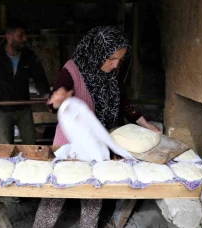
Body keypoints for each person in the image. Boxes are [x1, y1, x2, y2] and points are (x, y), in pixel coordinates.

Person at [32, 26, 161, 228]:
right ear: (97, 51)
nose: (116, 64)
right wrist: (56, 101)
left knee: (93, 192)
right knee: (55, 191)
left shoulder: (113, 73)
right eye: (111, 58)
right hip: (70, 143)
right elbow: (52, 103)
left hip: (98, 143)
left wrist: (144, 122)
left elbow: (124, 100)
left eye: (120, 59)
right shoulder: (72, 70)